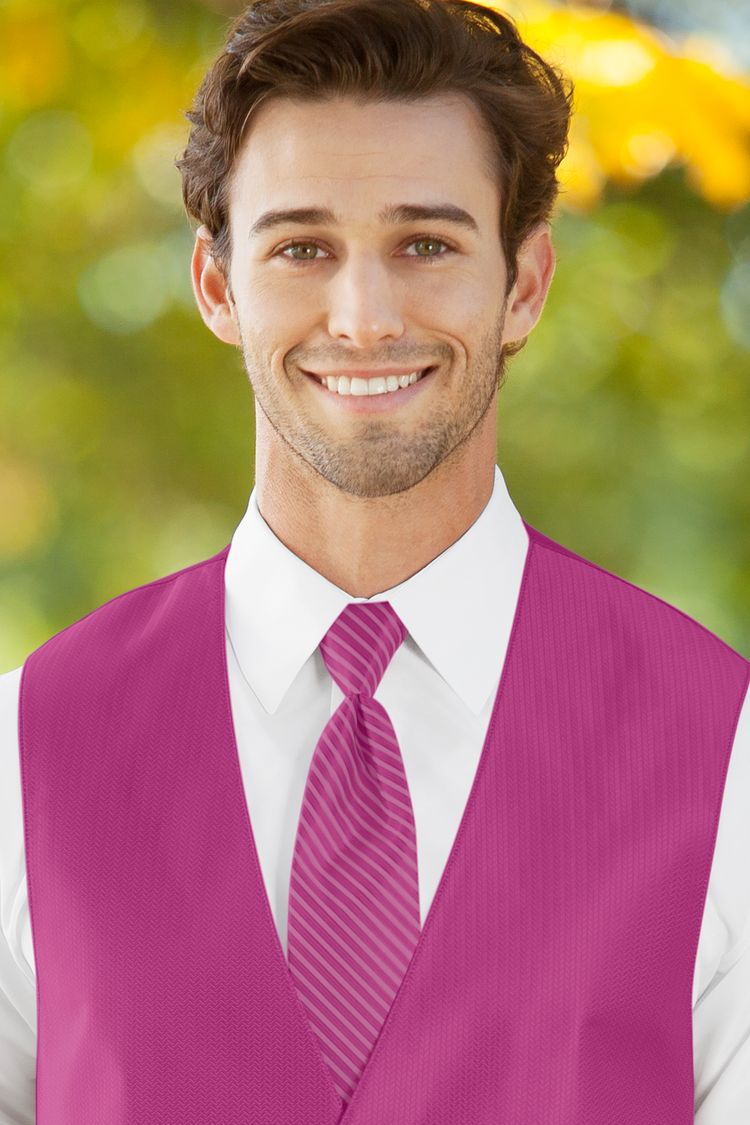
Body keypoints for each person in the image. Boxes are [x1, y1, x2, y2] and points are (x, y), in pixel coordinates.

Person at [0, 0, 748, 1120]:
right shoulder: (25, 751)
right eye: (303, 247)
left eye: (426, 244)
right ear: (217, 286)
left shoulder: (726, 754)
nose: (362, 316)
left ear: (525, 285)